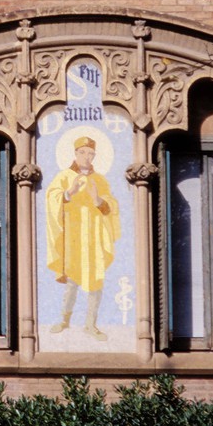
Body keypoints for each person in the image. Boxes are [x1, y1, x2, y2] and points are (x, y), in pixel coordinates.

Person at [45, 136, 121, 339]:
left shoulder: (100, 180)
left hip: (94, 236)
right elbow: (52, 197)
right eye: (83, 152)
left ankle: (90, 324)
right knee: (72, 280)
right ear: (75, 153)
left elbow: (111, 204)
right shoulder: (64, 176)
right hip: (72, 236)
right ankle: (65, 319)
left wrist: (98, 200)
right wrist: (69, 193)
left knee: (95, 281)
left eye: (90, 153)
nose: (87, 157)